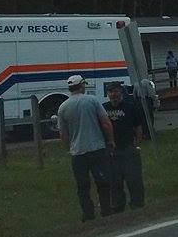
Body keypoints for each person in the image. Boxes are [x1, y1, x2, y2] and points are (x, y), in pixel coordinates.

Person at [57, 74, 115, 222]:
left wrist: (70, 147)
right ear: (82, 86)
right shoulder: (92, 100)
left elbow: (63, 135)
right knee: (102, 182)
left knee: (82, 186)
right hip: (97, 148)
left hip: (78, 153)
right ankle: (106, 211)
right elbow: (106, 123)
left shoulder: (63, 107)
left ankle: (88, 214)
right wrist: (110, 141)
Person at [103, 82, 145, 213]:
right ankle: (117, 208)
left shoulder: (131, 107)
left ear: (121, 92)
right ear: (107, 94)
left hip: (128, 148)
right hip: (111, 152)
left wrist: (137, 144)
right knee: (115, 182)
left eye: (115, 91)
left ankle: (137, 205)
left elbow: (138, 127)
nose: (113, 94)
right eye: (110, 92)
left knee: (134, 179)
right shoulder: (103, 108)